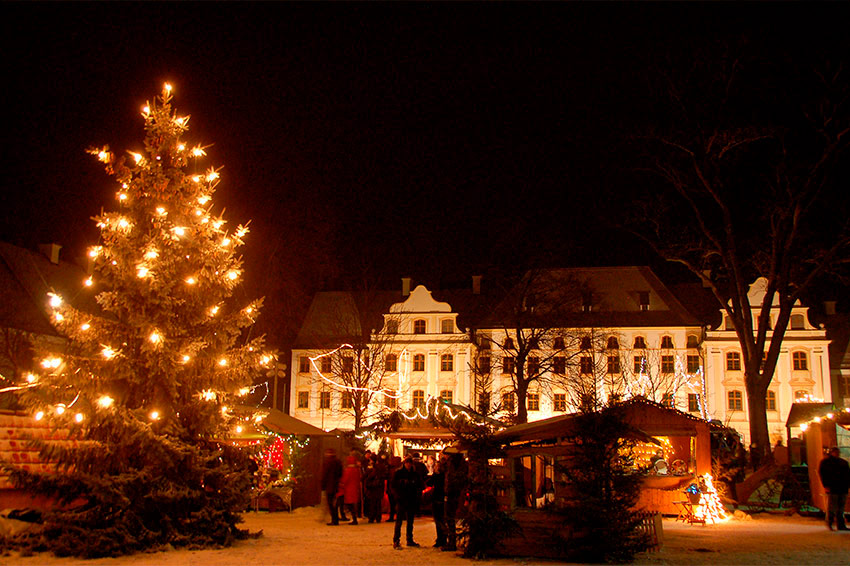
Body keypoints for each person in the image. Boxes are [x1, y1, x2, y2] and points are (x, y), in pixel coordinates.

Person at [391, 455, 424, 549]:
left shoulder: (414, 474)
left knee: (410, 521)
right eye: (407, 463)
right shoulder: (399, 473)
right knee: (399, 521)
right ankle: (396, 540)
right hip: (402, 499)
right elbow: (393, 485)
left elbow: (419, 485)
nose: (408, 465)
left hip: (411, 499)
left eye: (410, 463)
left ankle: (409, 539)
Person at [818, 446, 850, 531]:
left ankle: (835, 523)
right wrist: (826, 485)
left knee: (838, 507)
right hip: (836, 487)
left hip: (838, 487)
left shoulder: (827, 462)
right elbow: (823, 474)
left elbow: (847, 475)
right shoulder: (841, 463)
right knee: (835, 507)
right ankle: (834, 523)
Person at [442, 452, 467, 552]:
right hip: (456, 493)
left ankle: (451, 541)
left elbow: (450, 479)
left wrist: (447, 490)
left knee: (449, 517)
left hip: (452, 493)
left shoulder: (452, 464)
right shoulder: (461, 464)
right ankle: (451, 540)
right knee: (450, 517)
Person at [426, 454, 447, 548]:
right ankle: (444, 538)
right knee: (443, 519)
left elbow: (429, 483)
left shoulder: (437, 475)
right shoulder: (446, 475)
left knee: (438, 519)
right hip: (444, 497)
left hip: (437, 497)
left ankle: (441, 538)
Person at [321, 448, 343, 526]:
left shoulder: (327, 462)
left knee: (330, 503)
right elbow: (340, 473)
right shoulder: (338, 462)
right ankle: (335, 518)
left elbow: (324, 475)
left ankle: (334, 519)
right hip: (336, 485)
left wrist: (323, 485)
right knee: (335, 503)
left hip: (329, 486)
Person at [339, 454, 362, 525]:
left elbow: (344, 480)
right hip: (355, 489)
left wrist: (341, 483)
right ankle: (355, 518)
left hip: (348, 489)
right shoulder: (356, 470)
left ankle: (354, 519)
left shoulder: (348, 470)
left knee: (349, 504)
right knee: (353, 504)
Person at [386, 455, 402, 522]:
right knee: (398, 504)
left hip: (392, 489)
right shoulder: (400, 469)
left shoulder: (390, 469)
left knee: (392, 503)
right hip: (397, 489)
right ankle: (400, 516)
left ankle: (392, 516)